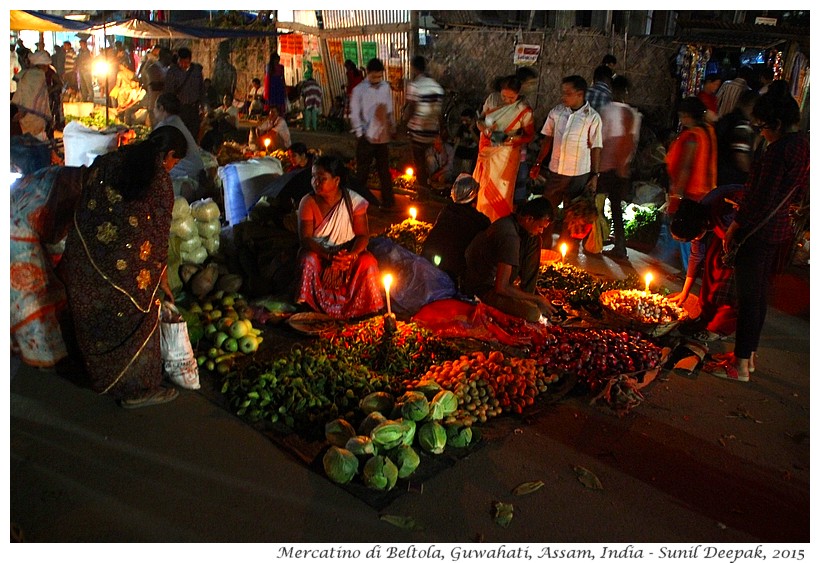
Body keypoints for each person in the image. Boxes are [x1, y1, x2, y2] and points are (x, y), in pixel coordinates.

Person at [57, 126, 188, 407]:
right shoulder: (160, 180)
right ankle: (138, 390)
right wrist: (161, 278)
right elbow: (159, 233)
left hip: (87, 258)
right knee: (142, 314)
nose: (172, 168)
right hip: (128, 268)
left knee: (96, 317)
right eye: (175, 162)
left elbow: (86, 200)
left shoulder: (111, 160)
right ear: (169, 154)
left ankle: (97, 374)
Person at [711, 91, 809, 382]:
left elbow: (760, 199)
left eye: (762, 126)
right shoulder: (804, 144)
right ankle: (747, 357)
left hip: (758, 232)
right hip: (779, 231)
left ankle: (739, 367)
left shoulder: (778, 152)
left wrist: (734, 227)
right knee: (758, 297)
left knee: (749, 299)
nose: (761, 133)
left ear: (777, 123)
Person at [11, 166, 85, 368]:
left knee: (49, 289)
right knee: (34, 297)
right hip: (15, 234)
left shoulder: (67, 176)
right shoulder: (70, 189)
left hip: (19, 220)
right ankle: (43, 353)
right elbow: (54, 235)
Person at [295, 154, 384, 319]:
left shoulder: (354, 202)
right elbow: (305, 239)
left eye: (322, 178)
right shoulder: (307, 202)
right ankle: (309, 306)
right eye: (313, 177)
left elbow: (363, 235)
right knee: (308, 260)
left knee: (368, 261)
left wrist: (351, 255)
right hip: (320, 253)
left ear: (336, 180)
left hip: (346, 254)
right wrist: (328, 255)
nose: (316, 182)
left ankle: (362, 309)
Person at [530, 75, 603, 247]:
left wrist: (595, 175)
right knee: (548, 210)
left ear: (580, 94)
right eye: (563, 92)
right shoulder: (557, 112)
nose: (563, 96)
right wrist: (539, 162)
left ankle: (567, 250)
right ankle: (543, 246)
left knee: (574, 215)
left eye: (568, 93)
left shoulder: (592, 118)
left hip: (579, 174)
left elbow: (596, 147)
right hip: (556, 171)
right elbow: (547, 139)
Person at [667, 185, 745, 342]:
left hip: (743, 239)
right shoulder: (695, 217)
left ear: (702, 228)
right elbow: (696, 256)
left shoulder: (722, 211)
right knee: (710, 270)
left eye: (694, 238)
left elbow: (741, 225)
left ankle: (719, 328)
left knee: (726, 284)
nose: (694, 241)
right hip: (724, 237)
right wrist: (685, 292)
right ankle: (705, 317)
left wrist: (729, 252)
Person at [463, 197, 556, 323]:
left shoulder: (519, 226)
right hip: (482, 288)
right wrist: (537, 300)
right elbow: (501, 287)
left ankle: (528, 295)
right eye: (540, 226)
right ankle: (530, 300)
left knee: (535, 240)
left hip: (499, 284)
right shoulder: (509, 235)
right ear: (529, 219)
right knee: (533, 313)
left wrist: (534, 296)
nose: (541, 231)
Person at [665, 96, 718, 271]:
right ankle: (684, 268)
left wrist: (677, 196)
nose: (681, 120)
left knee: (683, 231)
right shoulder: (708, 131)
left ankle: (680, 267)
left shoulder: (693, 137)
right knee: (692, 234)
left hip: (691, 194)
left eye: (682, 116)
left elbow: (686, 167)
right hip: (706, 192)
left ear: (688, 115)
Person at [473, 75, 534, 222]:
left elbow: (529, 135)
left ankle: (498, 222)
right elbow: (480, 121)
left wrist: (511, 140)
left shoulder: (523, 109)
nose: (507, 100)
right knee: (483, 187)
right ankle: (481, 218)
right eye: (504, 96)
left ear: (518, 94)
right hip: (487, 149)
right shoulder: (493, 99)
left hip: (506, 155)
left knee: (502, 189)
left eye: (511, 98)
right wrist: (485, 130)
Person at [421, 174, 491, 287]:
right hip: (456, 272)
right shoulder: (481, 221)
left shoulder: (447, 210)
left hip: (428, 263)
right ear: (474, 196)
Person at [599, 75, 641, 261]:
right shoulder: (633, 113)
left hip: (606, 165)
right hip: (622, 167)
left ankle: (596, 238)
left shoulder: (606, 111)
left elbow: (601, 138)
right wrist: (624, 164)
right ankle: (619, 245)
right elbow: (632, 142)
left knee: (597, 203)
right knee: (615, 207)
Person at [349, 58, 396, 208]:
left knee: (384, 172)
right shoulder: (359, 90)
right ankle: (357, 203)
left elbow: (389, 109)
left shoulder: (385, 87)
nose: (377, 80)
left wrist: (391, 125)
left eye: (379, 77)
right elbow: (355, 113)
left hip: (382, 137)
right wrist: (360, 133)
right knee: (362, 172)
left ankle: (388, 203)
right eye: (374, 76)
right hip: (366, 137)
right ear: (367, 73)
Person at [403, 55, 444, 201]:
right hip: (432, 130)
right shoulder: (436, 86)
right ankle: (430, 187)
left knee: (419, 163)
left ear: (414, 68)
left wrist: (404, 124)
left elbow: (411, 108)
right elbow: (439, 112)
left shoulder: (414, 85)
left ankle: (423, 193)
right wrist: (439, 132)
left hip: (418, 130)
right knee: (430, 160)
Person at [152, 92, 205, 198]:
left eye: (154, 107)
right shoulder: (176, 121)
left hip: (188, 177)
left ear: (161, 108)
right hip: (197, 174)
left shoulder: (166, 126)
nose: (153, 111)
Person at [715, 89, 759, 187]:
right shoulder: (742, 126)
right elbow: (741, 158)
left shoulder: (727, 119)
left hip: (719, 175)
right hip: (732, 180)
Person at [164, 47, 206, 139]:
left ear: (190, 60)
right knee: (180, 135)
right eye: (181, 62)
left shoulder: (197, 71)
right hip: (179, 109)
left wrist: (202, 108)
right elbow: (168, 92)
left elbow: (201, 90)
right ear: (178, 60)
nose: (183, 65)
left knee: (193, 135)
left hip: (193, 109)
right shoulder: (172, 72)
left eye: (186, 62)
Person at [11, 50, 53, 141]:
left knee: (29, 139)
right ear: (41, 64)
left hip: (25, 115)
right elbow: (32, 95)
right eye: (46, 65)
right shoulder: (37, 75)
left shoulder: (27, 73)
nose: (47, 67)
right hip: (34, 115)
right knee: (35, 141)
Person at [452, 108, 480, 177]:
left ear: (472, 119)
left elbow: (479, 142)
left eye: (466, 120)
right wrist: (452, 153)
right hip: (465, 149)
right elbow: (457, 139)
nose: (464, 122)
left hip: (474, 151)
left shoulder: (478, 127)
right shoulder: (463, 127)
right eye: (463, 120)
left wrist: (471, 130)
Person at [75, 38, 94, 103]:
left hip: (87, 70)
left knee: (88, 85)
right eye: (80, 44)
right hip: (81, 69)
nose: (80, 45)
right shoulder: (80, 52)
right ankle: (84, 98)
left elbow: (89, 60)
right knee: (82, 85)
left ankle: (91, 98)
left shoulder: (88, 52)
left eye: (81, 44)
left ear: (85, 44)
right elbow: (78, 59)